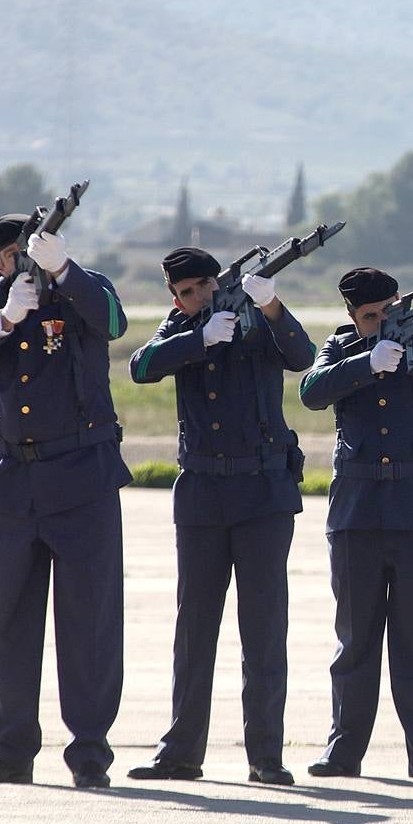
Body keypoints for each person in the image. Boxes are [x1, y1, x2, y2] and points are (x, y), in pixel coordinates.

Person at [0, 218, 130, 788]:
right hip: (14, 479)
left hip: (82, 476)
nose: (14, 265)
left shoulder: (82, 286)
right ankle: (12, 750)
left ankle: (90, 753)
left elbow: (114, 323)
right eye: (7, 258)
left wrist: (63, 271)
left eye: (25, 253)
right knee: (11, 623)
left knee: (88, 623)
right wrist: (3, 319)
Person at [126, 247, 314, 785]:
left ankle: (266, 755)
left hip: (262, 492)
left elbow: (302, 357)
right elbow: (141, 367)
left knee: (263, 628)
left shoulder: (258, 319)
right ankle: (181, 751)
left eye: (206, 286)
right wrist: (195, 337)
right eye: (187, 293)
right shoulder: (181, 328)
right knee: (195, 628)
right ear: (175, 296)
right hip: (205, 493)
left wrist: (273, 306)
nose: (200, 298)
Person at [301, 267, 413, 782]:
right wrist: (365, 362)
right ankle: (344, 750)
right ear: (352, 317)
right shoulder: (341, 349)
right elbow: (312, 392)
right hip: (358, 513)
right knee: (356, 640)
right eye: (368, 317)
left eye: (387, 312)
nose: (380, 323)